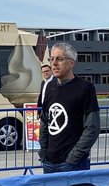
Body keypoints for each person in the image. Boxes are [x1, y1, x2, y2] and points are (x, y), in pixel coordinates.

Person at [39, 42, 99, 173]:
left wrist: (72, 159)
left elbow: (92, 127)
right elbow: (44, 122)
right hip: (49, 162)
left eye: (59, 59)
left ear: (71, 63)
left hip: (73, 165)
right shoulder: (49, 87)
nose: (54, 63)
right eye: (52, 58)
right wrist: (43, 153)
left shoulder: (85, 88)